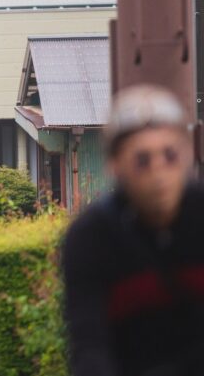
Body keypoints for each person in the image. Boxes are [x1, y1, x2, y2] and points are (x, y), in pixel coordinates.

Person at [63, 85, 204, 376]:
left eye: (170, 155)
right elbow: (89, 344)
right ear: (115, 166)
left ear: (188, 154)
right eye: (142, 160)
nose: (158, 172)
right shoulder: (91, 238)